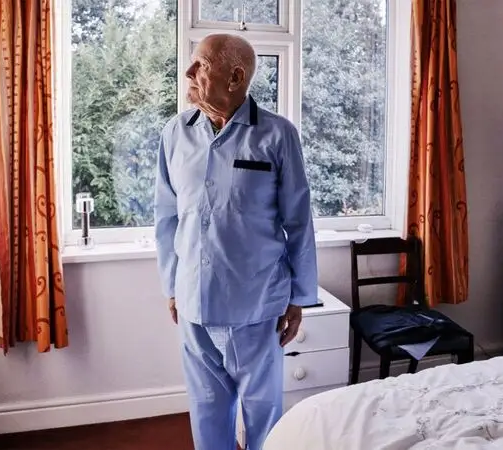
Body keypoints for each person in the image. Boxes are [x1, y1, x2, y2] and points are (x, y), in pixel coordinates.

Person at [153, 33, 318, 450]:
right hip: (193, 301)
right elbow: (166, 218)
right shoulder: (175, 133)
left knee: (262, 412)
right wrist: (171, 287)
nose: (189, 73)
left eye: (201, 66)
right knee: (207, 408)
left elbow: (298, 222)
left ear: (235, 76)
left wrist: (299, 298)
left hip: (257, 305)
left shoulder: (278, 136)